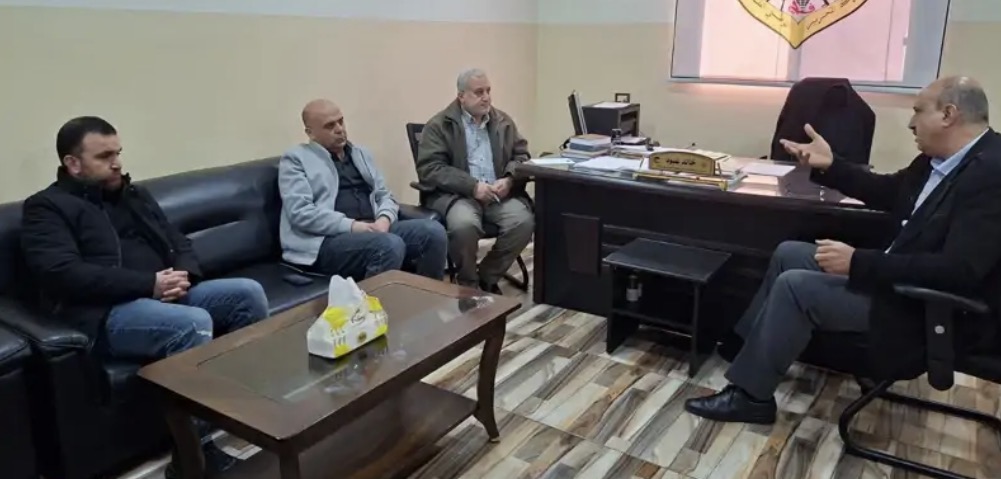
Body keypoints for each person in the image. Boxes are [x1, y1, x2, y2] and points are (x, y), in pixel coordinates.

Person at [685, 76, 1001, 424]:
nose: (911, 123)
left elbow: (959, 272)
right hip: (896, 281)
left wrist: (858, 262)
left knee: (796, 287)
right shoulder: (941, 160)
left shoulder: (991, 174)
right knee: (790, 253)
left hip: (925, 309)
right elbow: (888, 190)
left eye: (918, 111)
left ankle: (751, 398)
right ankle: (747, 350)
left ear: (948, 115)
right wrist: (831, 165)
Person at [20, 116, 270, 477]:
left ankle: (242, 410)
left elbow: (177, 240)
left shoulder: (132, 194)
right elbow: (64, 273)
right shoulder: (47, 208)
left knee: (247, 293)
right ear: (73, 164)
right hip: (105, 312)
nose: (117, 163)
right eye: (104, 156)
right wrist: (147, 285)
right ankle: (192, 455)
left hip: (163, 294)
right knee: (193, 324)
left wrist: (185, 275)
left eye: (118, 153)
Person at [278, 99, 448, 280]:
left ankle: (425, 296)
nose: (339, 129)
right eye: (329, 126)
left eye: (340, 121)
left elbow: (384, 195)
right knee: (388, 245)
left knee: (433, 232)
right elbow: (300, 213)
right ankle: (371, 300)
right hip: (325, 240)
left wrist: (384, 219)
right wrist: (353, 226)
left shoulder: (360, 154)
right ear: (310, 133)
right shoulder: (296, 159)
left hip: (372, 228)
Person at [415, 68, 534, 293]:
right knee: (464, 226)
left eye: (488, 91)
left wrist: (509, 179)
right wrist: (472, 186)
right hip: (458, 196)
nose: (486, 97)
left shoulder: (503, 122)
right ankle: (468, 284)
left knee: (524, 222)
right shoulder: (439, 125)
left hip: (498, 195)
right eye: (479, 92)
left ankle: (487, 276)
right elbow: (430, 168)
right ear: (461, 96)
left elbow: (522, 157)